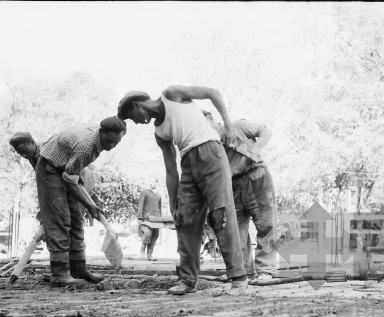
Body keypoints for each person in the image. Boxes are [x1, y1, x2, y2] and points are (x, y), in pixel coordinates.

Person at [117, 85, 248, 296]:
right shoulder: (159, 132)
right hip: (187, 164)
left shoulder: (171, 95)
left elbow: (213, 93)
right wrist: (173, 202)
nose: (137, 122)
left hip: (211, 153)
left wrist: (229, 125)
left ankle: (238, 278)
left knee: (221, 214)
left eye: (133, 117)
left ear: (136, 105)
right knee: (185, 220)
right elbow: (170, 170)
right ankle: (188, 280)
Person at [35, 117, 127, 287]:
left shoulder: (96, 141)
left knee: (76, 218)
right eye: (109, 140)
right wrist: (90, 204)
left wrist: (89, 205)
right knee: (59, 219)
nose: (112, 146)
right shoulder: (86, 147)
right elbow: (69, 179)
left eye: (117, 142)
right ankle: (59, 274)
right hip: (51, 168)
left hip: (68, 168)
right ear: (101, 132)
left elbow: (72, 175)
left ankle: (78, 270)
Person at [203, 110, 277, 281]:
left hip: (257, 177)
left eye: (204, 124)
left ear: (212, 119)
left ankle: (265, 270)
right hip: (232, 185)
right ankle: (242, 270)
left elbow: (266, 131)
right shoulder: (210, 146)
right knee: (235, 230)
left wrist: (257, 146)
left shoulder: (238, 126)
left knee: (266, 225)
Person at [137, 179, 162, 260]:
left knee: (155, 235)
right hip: (146, 218)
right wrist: (140, 217)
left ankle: (150, 255)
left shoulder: (158, 194)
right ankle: (142, 250)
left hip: (156, 219)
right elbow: (141, 204)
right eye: (150, 181)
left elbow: (159, 207)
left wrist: (160, 218)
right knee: (148, 233)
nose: (151, 183)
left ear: (156, 183)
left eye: (153, 181)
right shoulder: (145, 191)